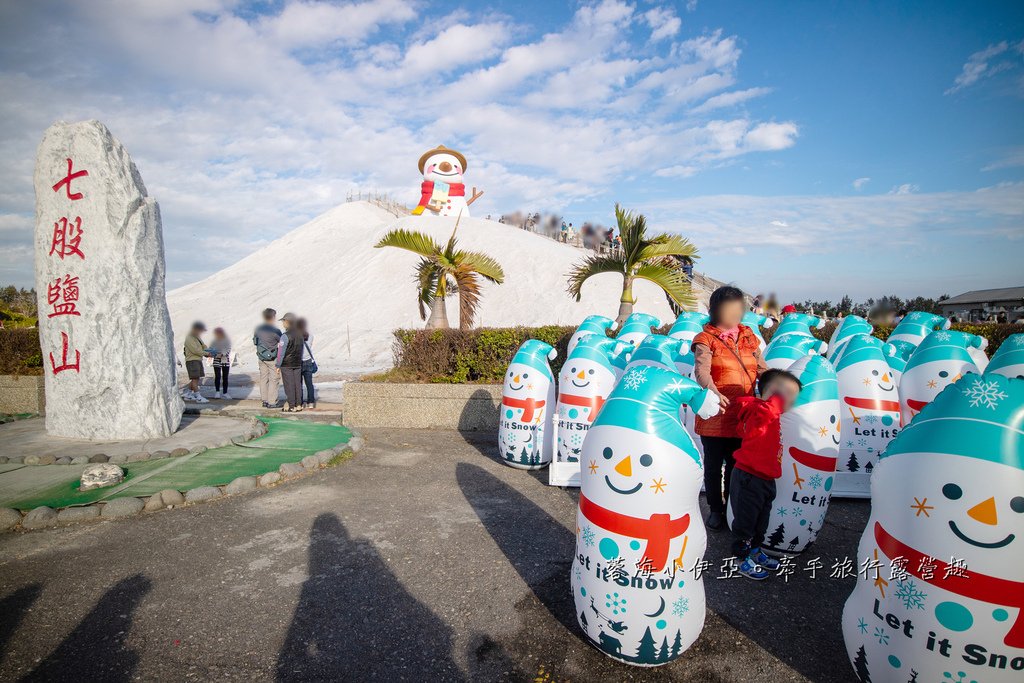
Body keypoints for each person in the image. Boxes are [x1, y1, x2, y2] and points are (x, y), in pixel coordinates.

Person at [692, 286, 768, 531]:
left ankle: (733, 510)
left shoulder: (749, 337)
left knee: (737, 467)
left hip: (743, 414)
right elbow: (702, 370)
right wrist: (713, 391)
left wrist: (775, 389)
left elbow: (762, 369)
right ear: (715, 309)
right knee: (713, 467)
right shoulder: (705, 339)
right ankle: (716, 509)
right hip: (716, 412)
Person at [728, 369, 802, 579]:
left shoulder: (771, 414)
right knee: (745, 523)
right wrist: (777, 399)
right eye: (789, 397)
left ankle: (754, 551)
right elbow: (765, 414)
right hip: (749, 477)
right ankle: (739, 559)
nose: (791, 403)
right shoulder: (759, 411)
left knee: (761, 523)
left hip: (766, 479)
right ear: (775, 396)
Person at [254, 308, 282, 408]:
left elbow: (255, 341)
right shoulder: (276, 331)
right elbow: (282, 342)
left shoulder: (258, 329)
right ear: (273, 317)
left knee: (263, 378)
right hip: (272, 358)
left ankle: (264, 400)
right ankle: (272, 401)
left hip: (261, 357)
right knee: (274, 379)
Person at [276, 312, 304, 412]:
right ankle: (298, 404)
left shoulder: (285, 336)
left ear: (287, 322)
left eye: (283, 321)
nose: (283, 323)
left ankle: (291, 405)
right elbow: (302, 350)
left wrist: (278, 365)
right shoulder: (300, 334)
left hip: (287, 364)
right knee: (297, 384)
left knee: (289, 385)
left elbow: (281, 352)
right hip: (297, 363)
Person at [182, 321, 211, 404]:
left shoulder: (197, 337)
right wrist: (206, 353)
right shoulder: (189, 338)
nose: (201, 332)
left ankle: (187, 393)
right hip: (192, 361)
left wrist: (210, 351)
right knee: (195, 379)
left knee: (196, 378)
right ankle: (198, 396)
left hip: (198, 360)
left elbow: (203, 346)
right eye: (200, 330)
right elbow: (195, 350)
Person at [297, 317, 317, 408]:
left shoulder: (296, 336)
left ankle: (300, 403)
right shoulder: (310, 335)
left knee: (299, 384)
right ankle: (311, 402)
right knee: (309, 384)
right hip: (308, 361)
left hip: (298, 362)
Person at [209, 327, 232, 399]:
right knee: (217, 376)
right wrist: (214, 354)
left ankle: (225, 392)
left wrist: (222, 354)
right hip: (216, 360)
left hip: (225, 360)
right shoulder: (214, 341)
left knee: (225, 377)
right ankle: (217, 392)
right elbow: (211, 350)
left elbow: (228, 349)